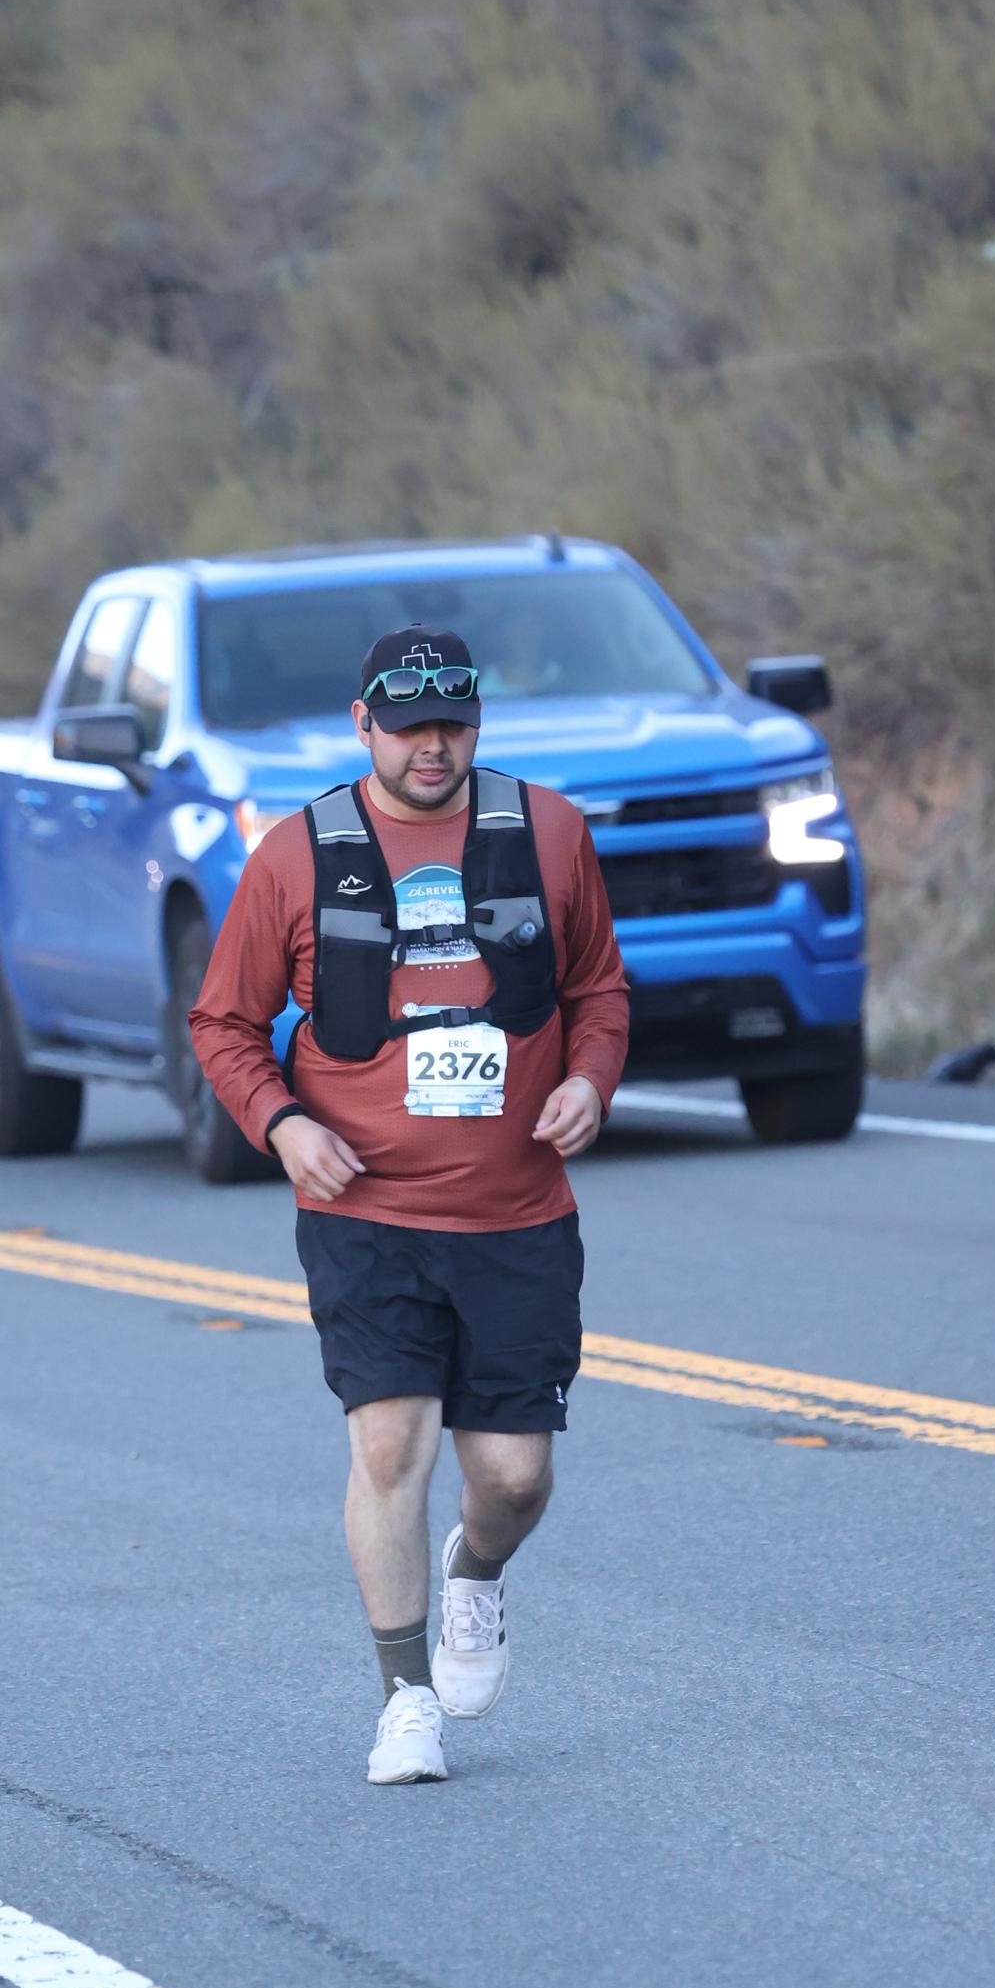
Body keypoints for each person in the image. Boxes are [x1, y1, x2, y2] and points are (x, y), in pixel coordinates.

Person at [188, 624, 630, 1785]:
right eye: (408, 727)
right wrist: (284, 1125)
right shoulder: (295, 855)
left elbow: (598, 990)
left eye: (452, 725)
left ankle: (474, 1574)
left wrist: (591, 1082)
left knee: (514, 1476)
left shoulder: (549, 832)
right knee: (389, 1445)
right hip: (366, 1212)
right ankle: (403, 1700)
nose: (431, 747)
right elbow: (224, 1023)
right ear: (363, 725)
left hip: (517, 1213)